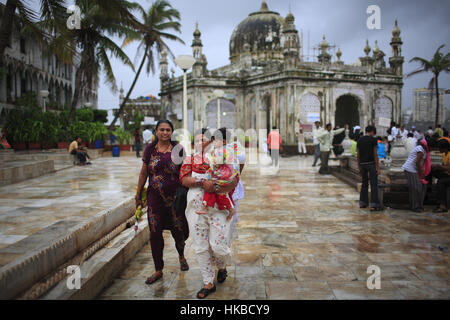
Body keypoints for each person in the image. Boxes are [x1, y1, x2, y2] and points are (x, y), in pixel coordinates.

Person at [180, 128, 238, 299]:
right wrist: (202, 182)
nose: (201, 143)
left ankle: (222, 265)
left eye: (204, 139)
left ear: (212, 140)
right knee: (200, 244)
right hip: (196, 206)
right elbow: (183, 179)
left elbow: (234, 179)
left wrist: (218, 187)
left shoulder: (222, 156)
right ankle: (208, 282)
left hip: (219, 206)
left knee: (218, 244)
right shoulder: (190, 159)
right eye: (197, 141)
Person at [136, 120, 189, 285]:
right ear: (156, 131)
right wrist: (138, 194)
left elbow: (186, 171)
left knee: (179, 230)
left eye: (168, 130)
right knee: (154, 232)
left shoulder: (178, 148)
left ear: (172, 132)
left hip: (175, 198)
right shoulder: (150, 149)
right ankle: (158, 269)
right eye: (161, 129)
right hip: (155, 198)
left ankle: (181, 254)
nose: (165, 132)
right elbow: (144, 172)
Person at [357, 126, 381, 211]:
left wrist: (358, 167)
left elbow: (358, 155)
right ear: (372, 132)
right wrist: (378, 167)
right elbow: (375, 154)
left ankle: (363, 202)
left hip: (362, 164)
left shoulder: (359, 140)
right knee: (373, 184)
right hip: (371, 164)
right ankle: (373, 204)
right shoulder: (373, 140)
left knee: (364, 184)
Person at [402, 138, 429, 213]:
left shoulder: (424, 150)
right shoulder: (420, 149)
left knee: (420, 187)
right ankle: (415, 207)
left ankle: (418, 205)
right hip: (411, 169)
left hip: (414, 170)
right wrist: (421, 173)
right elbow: (417, 162)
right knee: (416, 188)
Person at [431, 138, 450, 213]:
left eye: (439, 148)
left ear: (444, 148)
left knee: (441, 182)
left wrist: (439, 167)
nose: (438, 149)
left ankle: (443, 205)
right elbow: (444, 167)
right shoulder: (444, 154)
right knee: (431, 172)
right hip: (447, 174)